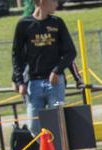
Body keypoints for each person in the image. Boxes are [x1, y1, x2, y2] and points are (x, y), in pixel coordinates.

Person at [11, 0, 74, 133]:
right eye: (54, 1)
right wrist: (18, 81)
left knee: (57, 126)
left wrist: (57, 71)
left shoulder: (58, 23)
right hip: (33, 83)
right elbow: (17, 55)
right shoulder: (23, 24)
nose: (57, 4)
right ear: (42, 2)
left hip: (55, 84)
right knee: (34, 127)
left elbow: (70, 52)